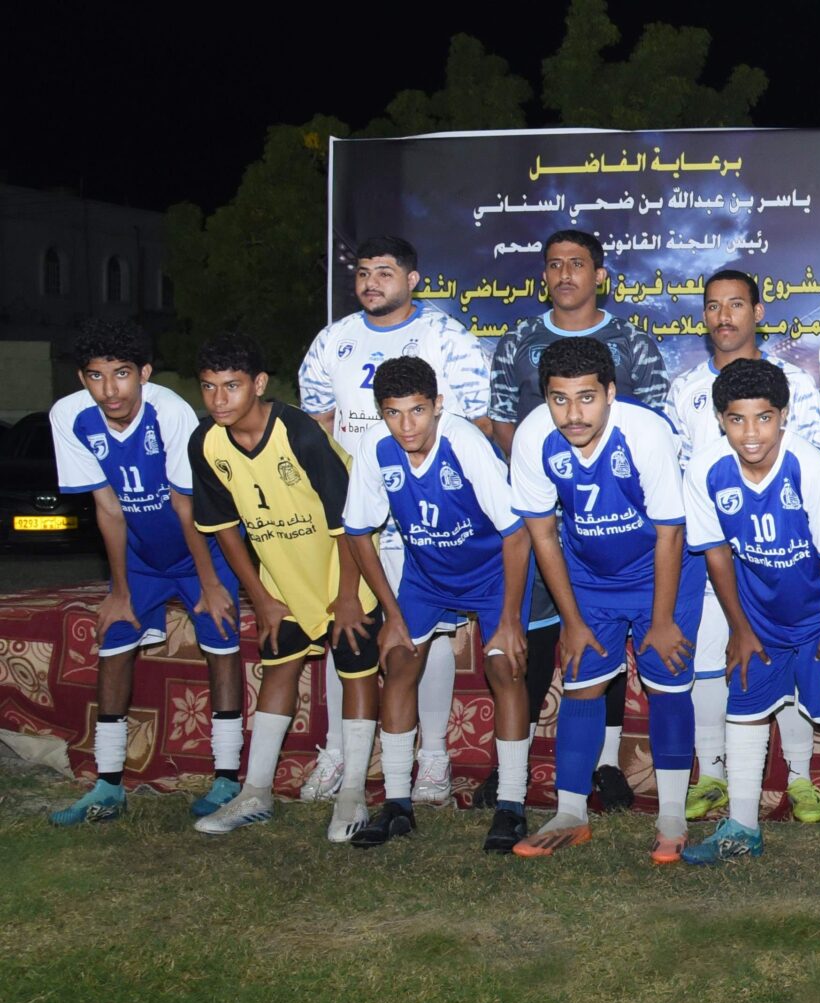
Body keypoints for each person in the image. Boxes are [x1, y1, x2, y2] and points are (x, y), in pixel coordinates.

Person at [294, 236, 491, 808]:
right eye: (362, 273)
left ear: (413, 279)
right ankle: (339, 753)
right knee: (349, 627)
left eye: (384, 272)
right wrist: (340, 496)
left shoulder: (447, 338)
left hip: (422, 517)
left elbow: (475, 425)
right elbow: (317, 424)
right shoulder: (333, 339)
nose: (371, 283)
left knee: (427, 635)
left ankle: (434, 760)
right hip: (355, 515)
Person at [487, 228, 675, 811]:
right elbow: (501, 419)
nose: (564, 274)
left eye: (577, 263)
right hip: (544, 509)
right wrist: (555, 475)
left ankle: (606, 766)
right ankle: (514, 769)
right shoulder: (519, 340)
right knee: (551, 636)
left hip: (623, 522)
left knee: (613, 644)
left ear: (600, 275)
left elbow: (652, 429)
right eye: (554, 264)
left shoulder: (632, 342)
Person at [507, 337, 701, 862]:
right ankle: (571, 813)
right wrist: (571, 620)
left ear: (610, 392)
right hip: (591, 576)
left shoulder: (645, 433)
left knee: (667, 682)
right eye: (560, 399)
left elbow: (671, 533)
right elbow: (542, 535)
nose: (573, 414)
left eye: (587, 398)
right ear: (545, 397)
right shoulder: (533, 437)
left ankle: (672, 817)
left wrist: (662, 620)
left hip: (662, 571)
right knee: (582, 681)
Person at [45, 320, 246, 825]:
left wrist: (210, 584)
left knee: (220, 635)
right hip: (141, 553)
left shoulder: (170, 411)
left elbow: (185, 505)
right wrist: (119, 589)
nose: (109, 389)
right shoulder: (69, 416)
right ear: (81, 379)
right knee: (115, 638)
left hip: (201, 546)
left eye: (121, 374)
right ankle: (108, 785)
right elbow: (108, 507)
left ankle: (227, 777)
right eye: (96, 376)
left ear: (144, 374)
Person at [187, 337, 386, 841]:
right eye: (208, 388)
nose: (218, 400)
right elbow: (223, 527)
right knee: (278, 668)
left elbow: (350, 523)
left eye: (231, 386)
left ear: (258, 384)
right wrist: (262, 598)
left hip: (345, 570)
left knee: (355, 670)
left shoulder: (299, 433)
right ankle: (255, 793)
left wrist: (347, 597)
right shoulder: (206, 443)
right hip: (283, 578)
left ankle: (352, 795)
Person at [678, 360, 820, 870]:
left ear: (784, 415)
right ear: (720, 419)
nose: (751, 433)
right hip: (759, 606)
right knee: (745, 699)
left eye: (763, 418)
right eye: (737, 419)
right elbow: (716, 553)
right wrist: (740, 629)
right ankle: (742, 826)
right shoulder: (705, 470)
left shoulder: (811, 468)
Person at [340, 357, 535, 851]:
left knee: (505, 667)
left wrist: (509, 620)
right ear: (380, 413)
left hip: (492, 572)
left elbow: (516, 535)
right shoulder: (375, 447)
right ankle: (397, 805)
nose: (407, 425)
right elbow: (358, 532)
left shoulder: (464, 442)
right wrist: (392, 615)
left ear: (438, 405)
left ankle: (511, 807)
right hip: (427, 575)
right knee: (399, 661)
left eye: (418, 410)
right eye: (393, 412)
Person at [669, 269, 820, 829]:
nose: (724, 316)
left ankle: (799, 777)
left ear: (757, 312)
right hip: (714, 552)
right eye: (713, 306)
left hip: (782, 558)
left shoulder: (794, 383)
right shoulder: (686, 388)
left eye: (736, 304)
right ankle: (714, 774)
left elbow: (812, 468)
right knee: (710, 658)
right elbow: (683, 473)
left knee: (782, 656)